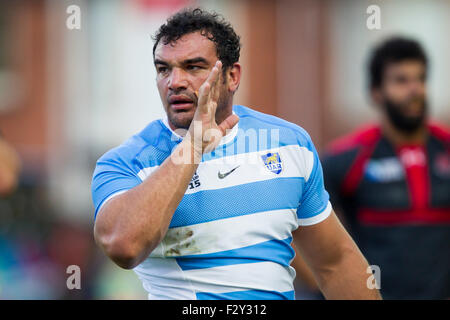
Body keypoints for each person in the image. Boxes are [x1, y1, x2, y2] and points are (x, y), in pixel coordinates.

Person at [91, 8, 381, 300]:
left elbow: (335, 263)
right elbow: (123, 247)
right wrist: (192, 146)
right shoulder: (127, 162)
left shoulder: (289, 144)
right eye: (164, 69)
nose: (174, 82)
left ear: (232, 76)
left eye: (193, 67)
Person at [322, 37, 450, 299]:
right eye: (401, 80)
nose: (414, 89)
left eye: (420, 79)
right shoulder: (347, 158)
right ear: (376, 92)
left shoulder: (446, 148)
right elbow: (307, 232)